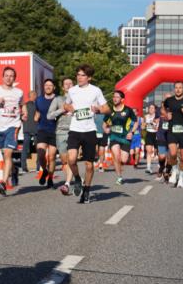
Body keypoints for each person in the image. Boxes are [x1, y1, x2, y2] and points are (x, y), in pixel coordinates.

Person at [63, 64, 109, 203]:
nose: (79, 77)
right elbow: (65, 105)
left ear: (89, 77)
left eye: (82, 75)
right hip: (75, 129)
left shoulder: (96, 91)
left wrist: (98, 110)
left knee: (89, 165)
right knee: (71, 159)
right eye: (78, 74)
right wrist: (68, 107)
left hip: (89, 130)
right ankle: (77, 178)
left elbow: (107, 108)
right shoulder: (72, 91)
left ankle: (87, 190)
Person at [0, 67, 26, 195]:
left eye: (11, 76)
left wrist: (24, 113)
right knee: (5, 156)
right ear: (2, 77)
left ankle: (3, 182)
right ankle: (14, 170)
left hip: (13, 126)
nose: (9, 78)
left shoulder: (19, 92)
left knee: (8, 154)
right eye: (6, 75)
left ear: (14, 78)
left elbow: (23, 105)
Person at [104, 90, 137, 185]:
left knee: (124, 160)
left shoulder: (128, 110)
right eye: (114, 96)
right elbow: (104, 123)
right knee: (116, 156)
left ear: (122, 99)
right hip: (114, 136)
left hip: (125, 137)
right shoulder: (110, 110)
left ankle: (121, 165)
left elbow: (135, 121)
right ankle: (119, 177)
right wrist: (105, 129)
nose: (114, 98)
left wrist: (132, 132)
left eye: (117, 97)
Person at [48, 76, 75, 195]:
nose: (68, 86)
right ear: (63, 87)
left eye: (70, 83)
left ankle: (67, 183)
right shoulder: (58, 99)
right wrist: (62, 110)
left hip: (75, 130)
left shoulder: (79, 99)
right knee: (65, 160)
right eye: (66, 84)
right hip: (61, 131)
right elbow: (49, 116)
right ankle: (77, 178)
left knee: (72, 158)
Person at [34, 80, 58, 188]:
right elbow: (37, 112)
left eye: (50, 85)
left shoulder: (58, 99)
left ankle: (51, 178)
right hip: (42, 129)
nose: (48, 87)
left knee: (52, 157)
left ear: (54, 87)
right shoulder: (39, 100)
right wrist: (35, 117)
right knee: (40, 153)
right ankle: (44, 170)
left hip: (55, 130)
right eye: (46, 85)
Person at [20, 92, 36, 174]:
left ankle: (24, 167)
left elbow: (21, 117)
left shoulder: (24, 106)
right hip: (36, 129)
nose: (35, 97)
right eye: (34, 95)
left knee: (25, 149)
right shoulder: (37, 105)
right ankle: (39, 166)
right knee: (39, 149)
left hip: (26, 129)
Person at [142, 104, 160, 174]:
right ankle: (148, 167)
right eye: (149, 108)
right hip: (149, 134)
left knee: (158, 152)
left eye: (152, 108)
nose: (150, 109)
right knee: (148, 151)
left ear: (155, 109)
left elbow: (157, 128)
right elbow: (143, 127)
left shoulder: (158, 117)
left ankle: (160, 166)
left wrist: (150, 124)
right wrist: (145, 124)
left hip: (157, 134)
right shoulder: (146, 116)